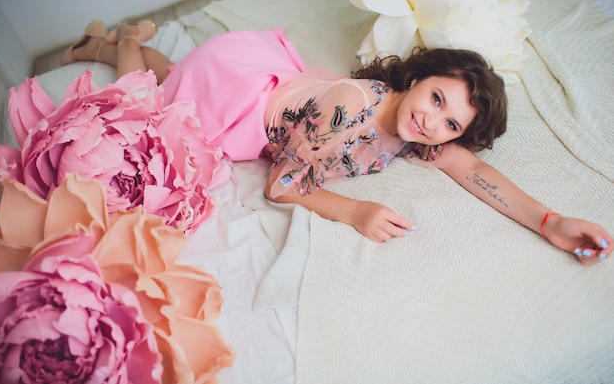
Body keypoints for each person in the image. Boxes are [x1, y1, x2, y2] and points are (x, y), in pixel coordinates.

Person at [61, 20, 612, 264]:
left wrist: (550, 222)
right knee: (146, 103)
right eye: (438, 100)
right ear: (418, 77)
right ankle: (123, 45)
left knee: (178, 72)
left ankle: (119, 40)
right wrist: (355, 211)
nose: (434, 125)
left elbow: (472, 171)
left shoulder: (414, 130)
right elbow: (282, 184)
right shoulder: (352, 105)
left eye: (452, 125)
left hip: (268, 79)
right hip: (240, 101)